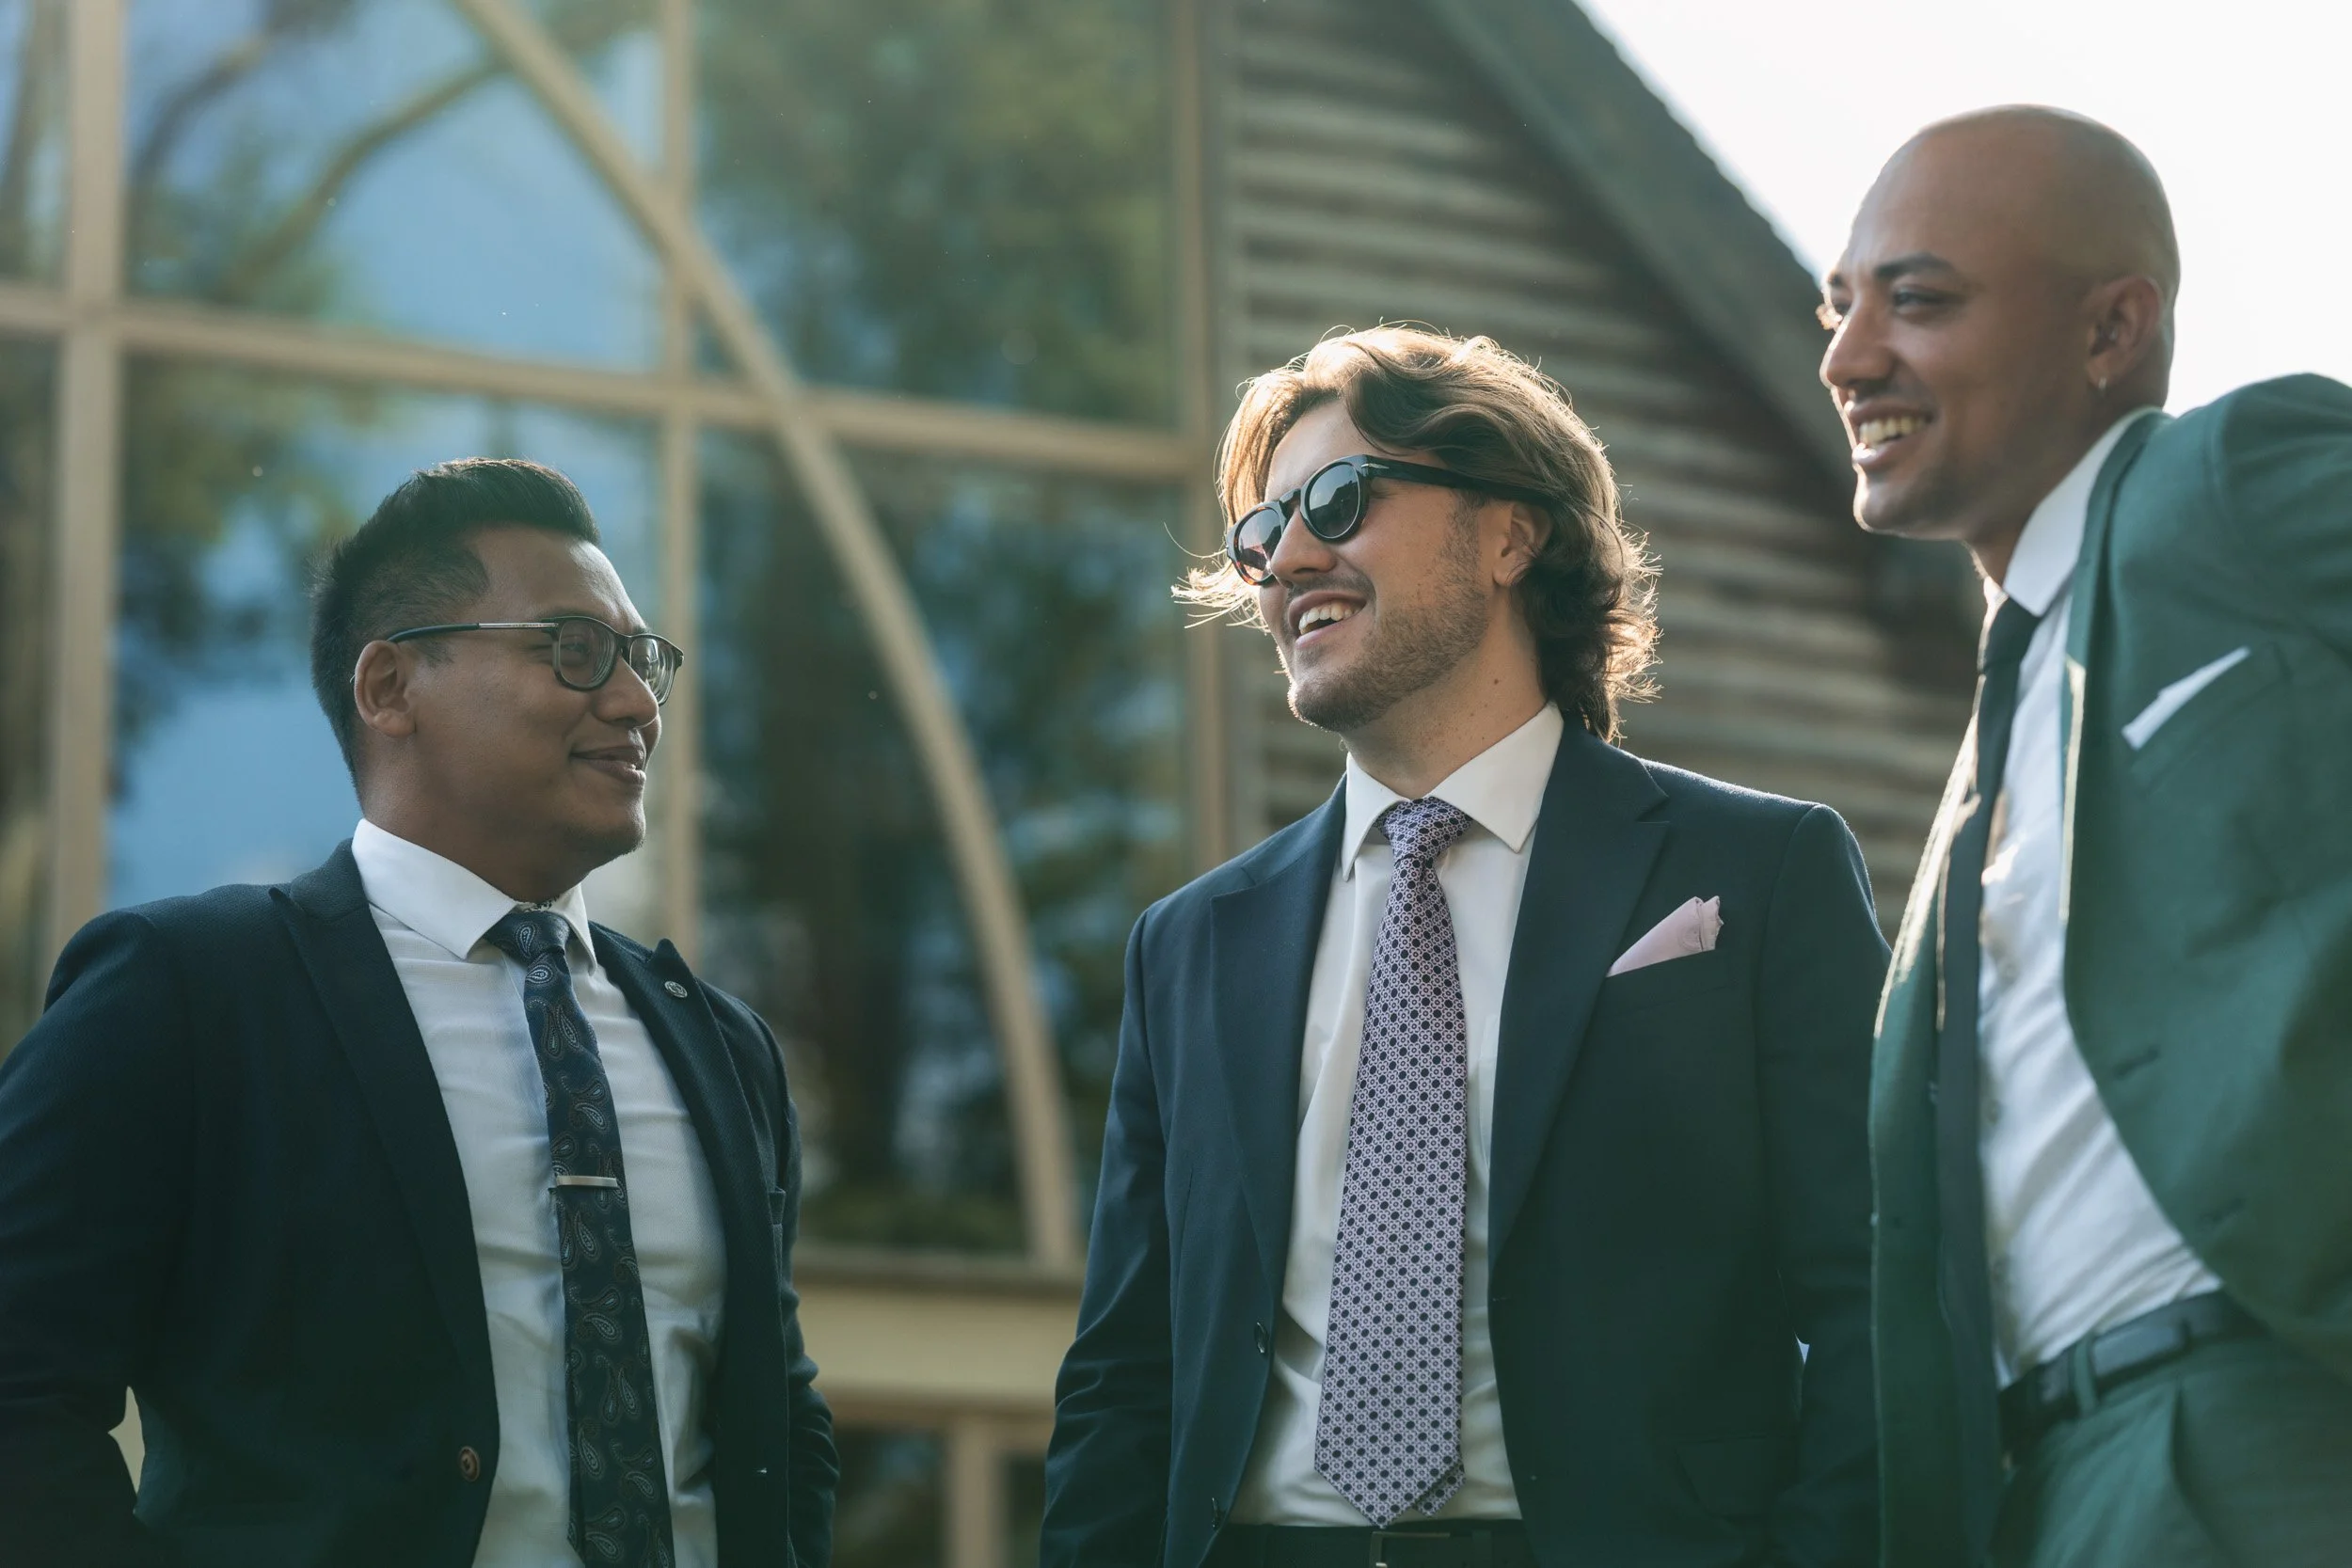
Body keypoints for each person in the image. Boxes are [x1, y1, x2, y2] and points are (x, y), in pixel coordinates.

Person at [1041, 326, 1885, 1568]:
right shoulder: (1190, 946)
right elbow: (1124, 1376)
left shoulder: (1757, 874)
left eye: (1338, 497)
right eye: (1260, 533)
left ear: (1508, 533)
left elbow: (1875, 1302)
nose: (1288, 558)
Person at [0, 459, 835, 1568]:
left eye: (644, 660)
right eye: (576, 649)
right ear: (389, 686)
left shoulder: (721, 1046)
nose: (636, 702)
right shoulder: (189, 992)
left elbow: (780, 1420)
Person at [1822, 107, 2352, 1568]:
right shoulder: (1980, 769)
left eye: (1916, 299)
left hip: (2262, 1424)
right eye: (1840, 301)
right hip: (2034, 1496)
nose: (1849, 356)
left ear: (2113, 328)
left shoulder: (2225, 482)